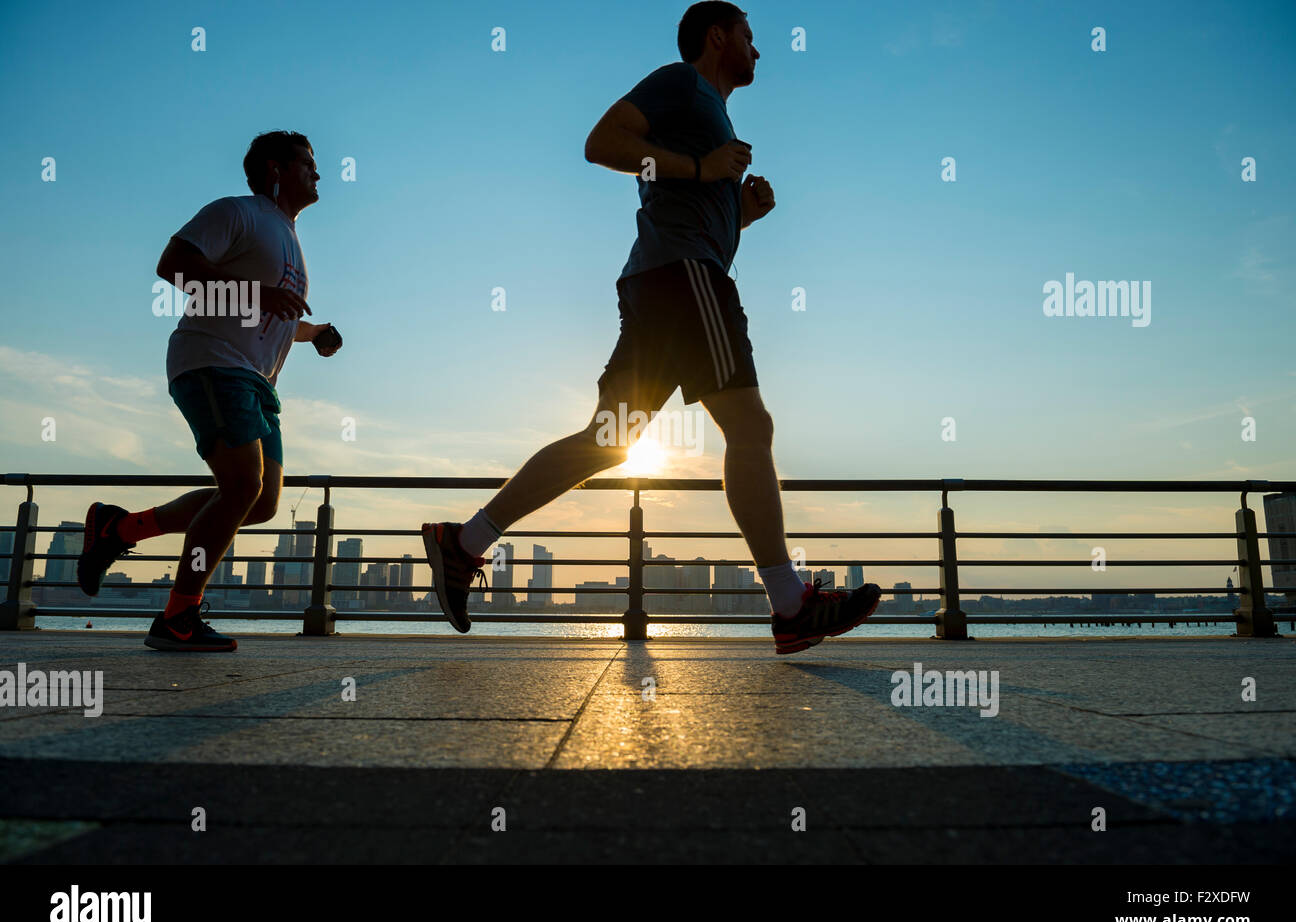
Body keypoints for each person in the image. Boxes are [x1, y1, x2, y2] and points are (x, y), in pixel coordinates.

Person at [423, 3, 881, 654]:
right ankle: (790, 604)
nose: (760, 50)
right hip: (683, 282)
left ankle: (462, 543)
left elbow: (691, 225)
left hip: (666, 283)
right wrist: (706, 169)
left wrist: (740, 214)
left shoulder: (713, 118)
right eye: (751, 36)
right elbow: (602, 144)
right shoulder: (682, 85)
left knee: (607, 442)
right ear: (718, 37)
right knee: (749, 426)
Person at [77, 130, 341, 652]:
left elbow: (269, 311)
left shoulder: (289, 235)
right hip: (212, 362)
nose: (318, 172)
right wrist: (259, 292)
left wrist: (315, 335)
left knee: (259, 502)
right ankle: (178, 617)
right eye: (307, 163)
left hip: (258, 380)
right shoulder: (237, 212)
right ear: (274, 169)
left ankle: (121, 529)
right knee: (241, 488)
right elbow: (172, 265)